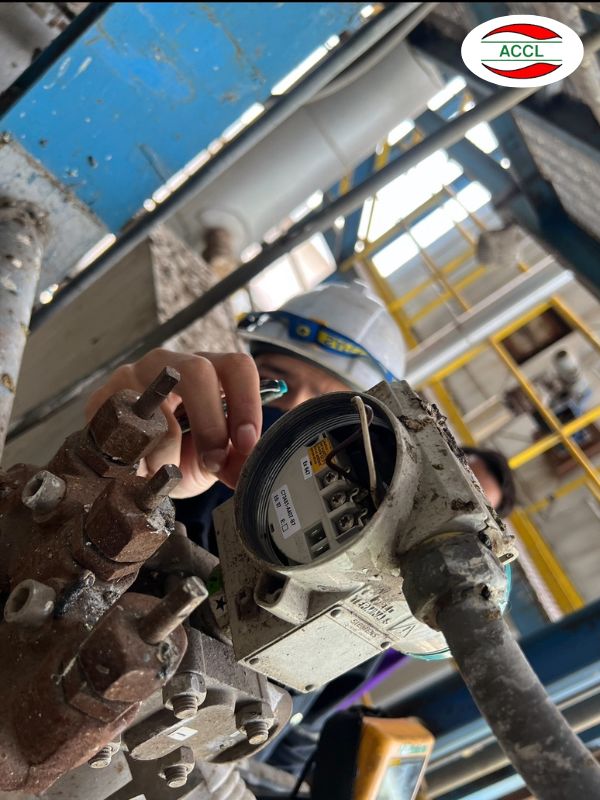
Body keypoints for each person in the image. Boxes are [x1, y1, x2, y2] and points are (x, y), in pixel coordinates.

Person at [85, 281, 516, 787]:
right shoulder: (181, 466)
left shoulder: (377, 620)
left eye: (327, 417)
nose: (290, 424)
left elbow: (288, 742)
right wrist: (114, 464)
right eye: (276, 386)